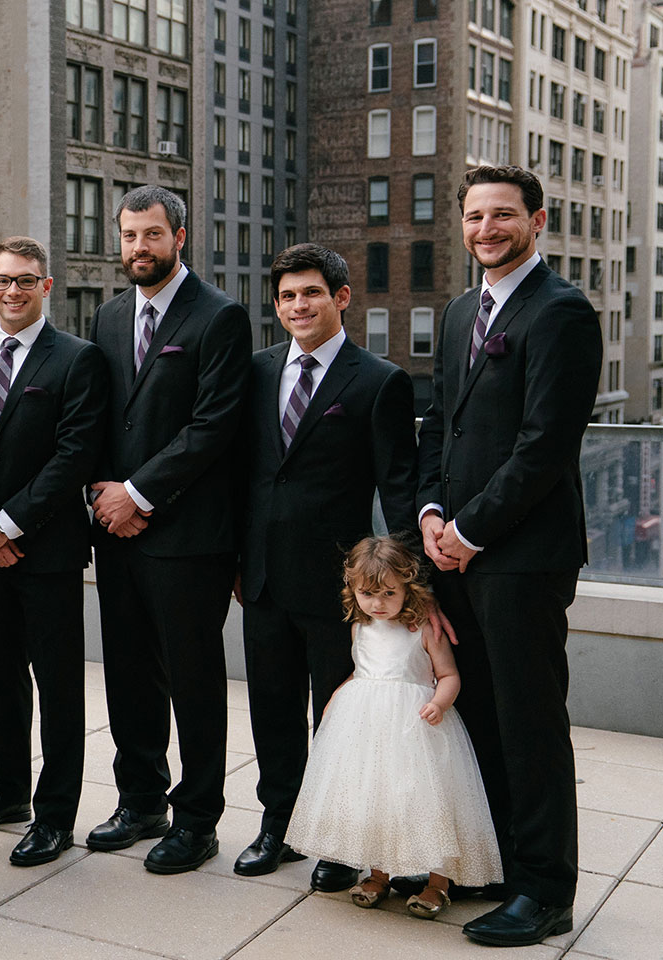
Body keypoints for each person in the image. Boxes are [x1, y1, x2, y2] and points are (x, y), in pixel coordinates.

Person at [416, 165, 601, 947]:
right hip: (454, 550)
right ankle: (494, 865)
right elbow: (438, 422)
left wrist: (470, 531)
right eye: (474, 216)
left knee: (529, 724)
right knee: (479, 715)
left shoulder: (562, 313)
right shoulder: (461, 310)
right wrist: (429, 515)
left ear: (538, 221)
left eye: (503, 216)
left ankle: (545, 890)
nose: (486, 229)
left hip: (520, 556)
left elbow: (543, 447)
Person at [233, 244, 421, 892]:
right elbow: (244, 476)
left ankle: (338, 841)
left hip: (341, 588)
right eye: (286, 296)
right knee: (272, 710)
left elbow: (398, 489)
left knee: (335, 720)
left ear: (342, 298)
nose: (298, 306)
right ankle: (278, 825)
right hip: (260, 577)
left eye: (310, 293)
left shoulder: (379, 381)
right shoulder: (255, 372)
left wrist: (406, 586)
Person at [84, 185, 249, 874]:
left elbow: (214, 427)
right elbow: (96, 414)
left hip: (188, 536)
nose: (138, 248)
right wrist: (101, 494)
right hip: (115, 534)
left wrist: (140, 494)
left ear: (180, 237)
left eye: (151, 235)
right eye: (128, 236)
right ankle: (141, 798)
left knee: (193, 680)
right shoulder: (108, 316)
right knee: (127, 675)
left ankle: (198, 819)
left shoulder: (220, 317)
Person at [0, 236, 105, 868]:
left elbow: (75, 457)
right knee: (1, 678)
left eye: (27, 280)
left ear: (47, 288)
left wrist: (8, 524)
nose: (14, 290)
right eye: (3, 280)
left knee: (59, 686)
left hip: (49, 552)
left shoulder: (77, 360)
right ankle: (8, 791)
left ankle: (56, 814)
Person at [285, 537, 503, 918]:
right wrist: (340, 694)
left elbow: (449, 674)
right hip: (368, 729)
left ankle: (438, 883)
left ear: (408, 587)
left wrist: (438, 702)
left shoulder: (424, 629)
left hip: (416, 729)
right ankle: (378, 875)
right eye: (368, 593)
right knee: (375, 798)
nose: (379, 603)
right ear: (353, 589)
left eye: (389, 593)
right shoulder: (361, 626)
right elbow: (362, 671)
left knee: (427, 802)